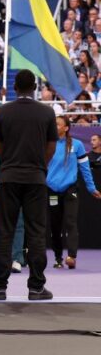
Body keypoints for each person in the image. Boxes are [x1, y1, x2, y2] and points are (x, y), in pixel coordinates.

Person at [0, 70, 57, 300]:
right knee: (36, 232)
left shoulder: (3, 112)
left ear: (15, 87)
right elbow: (51, 148)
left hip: (8, 178)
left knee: (4, 232)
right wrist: (39, 166)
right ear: (35, 87)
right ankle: (36, 288)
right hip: (35, 179)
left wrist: (10, 163)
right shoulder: (47, 113)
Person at [46, 115, 100, 269]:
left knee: (70, 222)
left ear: (66, 128)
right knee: (55, 226)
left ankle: (71, 256)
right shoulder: (48, 145)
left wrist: (91, 188)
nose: (54, 126)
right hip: (52, 190)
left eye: (57, 124)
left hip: (71, 189)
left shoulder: (77, 145)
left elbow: (85, 169)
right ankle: (58, 258)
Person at [0, 136, 25, 271]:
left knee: (19, 223)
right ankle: (3, 259)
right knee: (2, 225)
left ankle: (16, 259)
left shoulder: (21, 140)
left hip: (19, 184)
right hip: (0, 185)